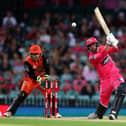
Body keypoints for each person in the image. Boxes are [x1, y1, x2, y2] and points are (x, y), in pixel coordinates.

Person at [4, 45, 62, 118]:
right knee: (22, 94)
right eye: (33, 54)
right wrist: (39, 79)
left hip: (42, 77)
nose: (34, 56)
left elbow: (47, 70)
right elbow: (31, 74)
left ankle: (55, 113)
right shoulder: (27, 62)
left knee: (50, 95)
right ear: (30, 54)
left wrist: (45, 78)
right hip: (30, 80)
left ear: (40, 54)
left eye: (36, 54)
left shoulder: (44, 58)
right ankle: (10, 112)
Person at [86, 33, 126, 120]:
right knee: (103, 100)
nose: (92, 47)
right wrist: (108, 43)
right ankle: (98, 114)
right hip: (105, 80)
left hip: (114, 75)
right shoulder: (91, 57)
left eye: (93, 44)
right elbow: (102, 55)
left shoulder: (101, 48)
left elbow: (116, 49)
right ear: (88, 48)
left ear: (96, 44)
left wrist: (115, 43)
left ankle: (113, 113)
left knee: (122, 88)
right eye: (90, 46)